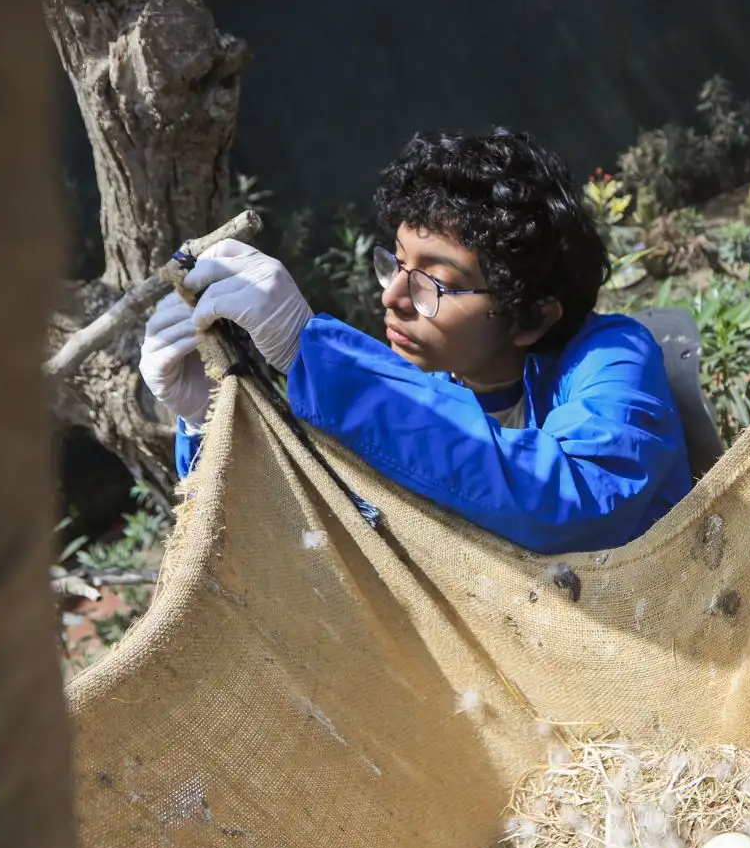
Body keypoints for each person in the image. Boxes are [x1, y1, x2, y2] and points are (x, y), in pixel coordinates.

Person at [138, 128, 692, 556]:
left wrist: (310, 352)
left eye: (436, 282)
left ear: (529, 317)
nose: (394, 297)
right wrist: (213, 419)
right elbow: (293, 545)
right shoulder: (413, 388)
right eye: (397, 264)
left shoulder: (613, 355)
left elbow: (579, 501)